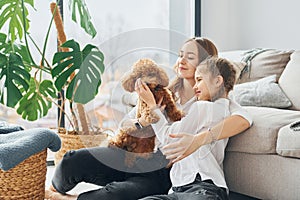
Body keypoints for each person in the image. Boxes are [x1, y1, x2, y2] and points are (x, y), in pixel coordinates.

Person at [45, 37, 251, 200]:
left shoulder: (214, 103)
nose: (181, 61)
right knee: (72, 160)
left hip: (160, 170)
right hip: (133, 157)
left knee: (116, 194)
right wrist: (142, 121)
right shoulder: (162, 90)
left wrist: (199, 139)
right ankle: (48, 191)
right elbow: (126, 124)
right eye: (180, 55)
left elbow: (244, 118)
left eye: (190, 57)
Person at [136, 56, 237, 200]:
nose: (195, 86)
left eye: (200, 80)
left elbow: (168, 138)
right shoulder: (224, 110)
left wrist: (152, 106)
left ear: (217, 81)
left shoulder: (205, 108)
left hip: (201, 188)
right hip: (180, 189)